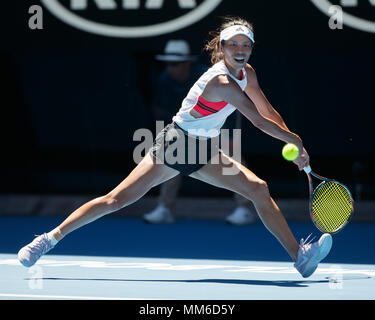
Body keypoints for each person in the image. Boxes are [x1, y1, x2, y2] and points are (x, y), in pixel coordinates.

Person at [18, 16, 332, 278]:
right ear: (221, 48)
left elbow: (268, 111)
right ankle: (48, 239)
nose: (240, 50)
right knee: (116, 200)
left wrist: (294, 139)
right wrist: (296, 141)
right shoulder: (220, 83)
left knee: (259, 189)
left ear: (251, 49)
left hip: (206, 150)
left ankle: (299, 258)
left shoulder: (246, 73)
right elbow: (258, 122)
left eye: (245, 45)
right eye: (233, 44)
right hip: (176, 145)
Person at [143, 39, 257, 225]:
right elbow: (163, 111)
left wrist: (227, 136)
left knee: (231, 154)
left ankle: (243, 208)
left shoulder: (209, 77)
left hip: (220, 121)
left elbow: (227, 107)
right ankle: (165, 208)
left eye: (175, 63)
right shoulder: (165, 80)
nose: (170, 68)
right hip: (190, 126)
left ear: (187, 62)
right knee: (171, 154)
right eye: (168, 63)